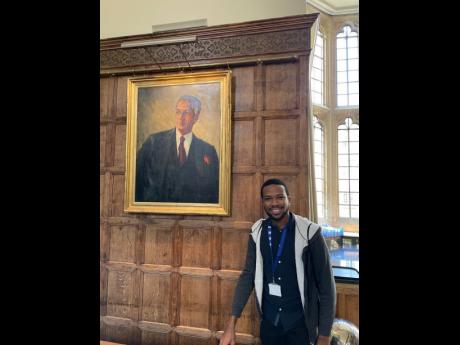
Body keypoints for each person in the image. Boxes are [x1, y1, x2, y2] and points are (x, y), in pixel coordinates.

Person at [220, 179, 336, 345]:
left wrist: (324, 336)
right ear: (263, 203)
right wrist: (231, 324)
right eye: (268, 199)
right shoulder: (257, 232)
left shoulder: (310, 232)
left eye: (280, 197)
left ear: (289, 199)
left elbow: (327, 287)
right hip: (270, 325)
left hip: (301, 327)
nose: (275, 203)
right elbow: (247, 276)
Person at [135, 95, 219, 203]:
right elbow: (136, 181)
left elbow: (214, 192)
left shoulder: (208, 151)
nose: (181, 117)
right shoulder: (153, 142)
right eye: (178, 112)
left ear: (196, 117)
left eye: (186, 113)